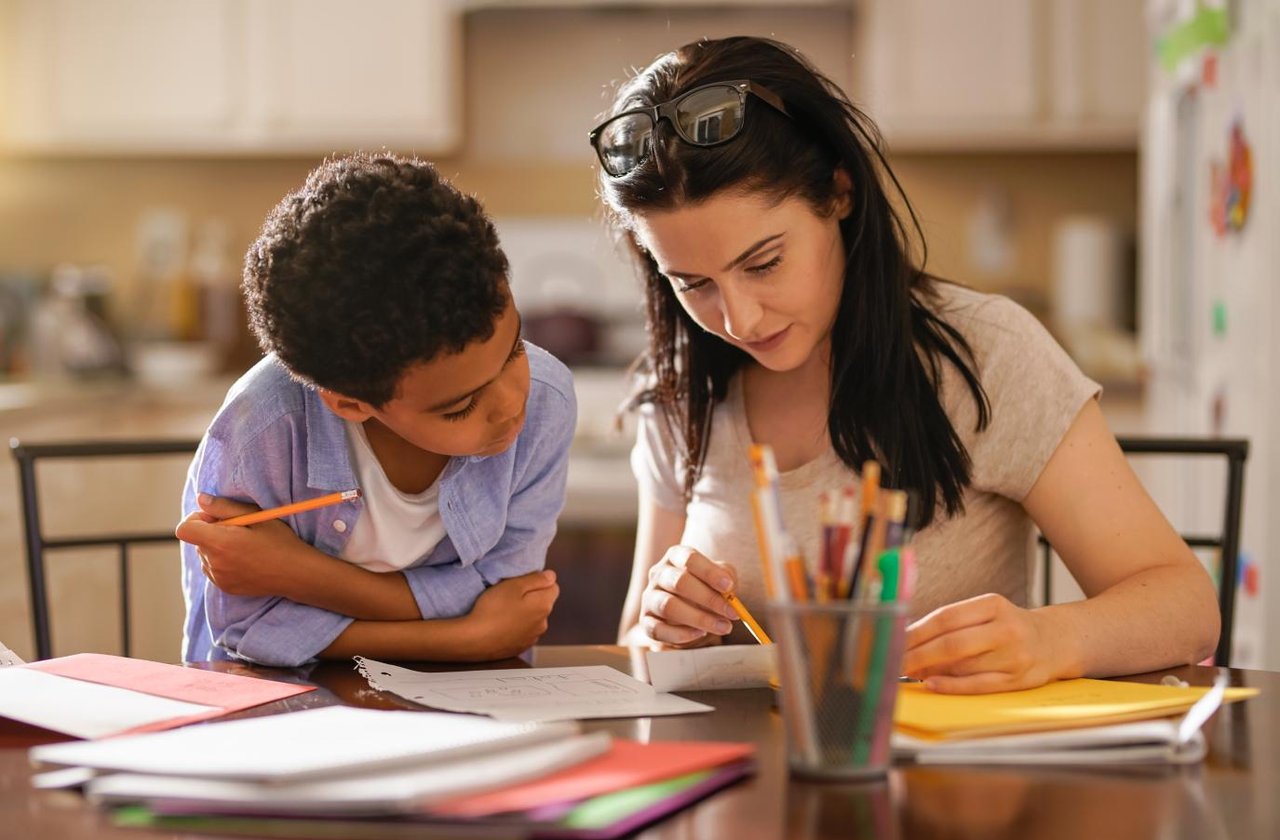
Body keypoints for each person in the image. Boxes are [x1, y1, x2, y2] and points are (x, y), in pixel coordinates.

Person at [592, 36, 1219, 694]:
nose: (739, 318)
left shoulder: (986, 354)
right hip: (749, 784)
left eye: (764, 262)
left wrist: (1050, 638)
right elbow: (634, 641)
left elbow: (1187, 607)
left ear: (839, 191)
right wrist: (658, 629)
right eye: (693, 283)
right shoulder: (678, 390)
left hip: (953, 784)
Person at [176, 152, 574, 668]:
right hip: (279, 711)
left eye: (515, 348)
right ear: (349, 403)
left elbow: (512, 598)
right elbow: (248, 631)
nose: (510, 406)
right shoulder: (261, 429)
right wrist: (464, 637)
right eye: (460, 407)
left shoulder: (547, 398)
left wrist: (297, 574)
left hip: (467, 698)